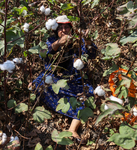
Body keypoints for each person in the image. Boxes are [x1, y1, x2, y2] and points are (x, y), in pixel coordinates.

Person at [30, 15, 97, 144]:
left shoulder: (79, 41)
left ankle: (73, 129)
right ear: (55, 30)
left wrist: (88, 42)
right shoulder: (51, 40)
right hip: (55, 80)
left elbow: (93, 54)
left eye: (67, 27)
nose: (64, 30)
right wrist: (58, 44)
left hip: (76, 82)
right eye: (61, 28)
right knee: (39, 84)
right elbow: (43, 54)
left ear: (71, 29)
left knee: (87, 95)